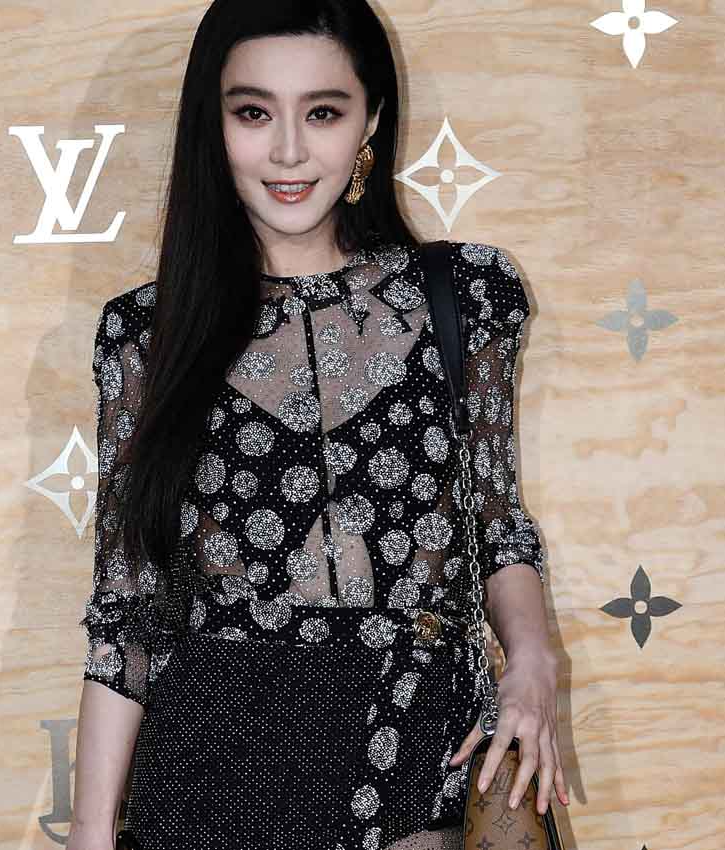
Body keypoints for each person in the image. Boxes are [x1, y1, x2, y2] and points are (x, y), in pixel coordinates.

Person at [67, 2, 566, 849]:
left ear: (371, 120)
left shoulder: (465, 297)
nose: (290, 151)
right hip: (210, 786)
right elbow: (128, 613)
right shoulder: (146, 336)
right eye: (254, 113)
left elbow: (496, 524)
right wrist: (88, 832)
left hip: (416, 750)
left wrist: (532, 659)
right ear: (212, 125)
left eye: (324, 112)